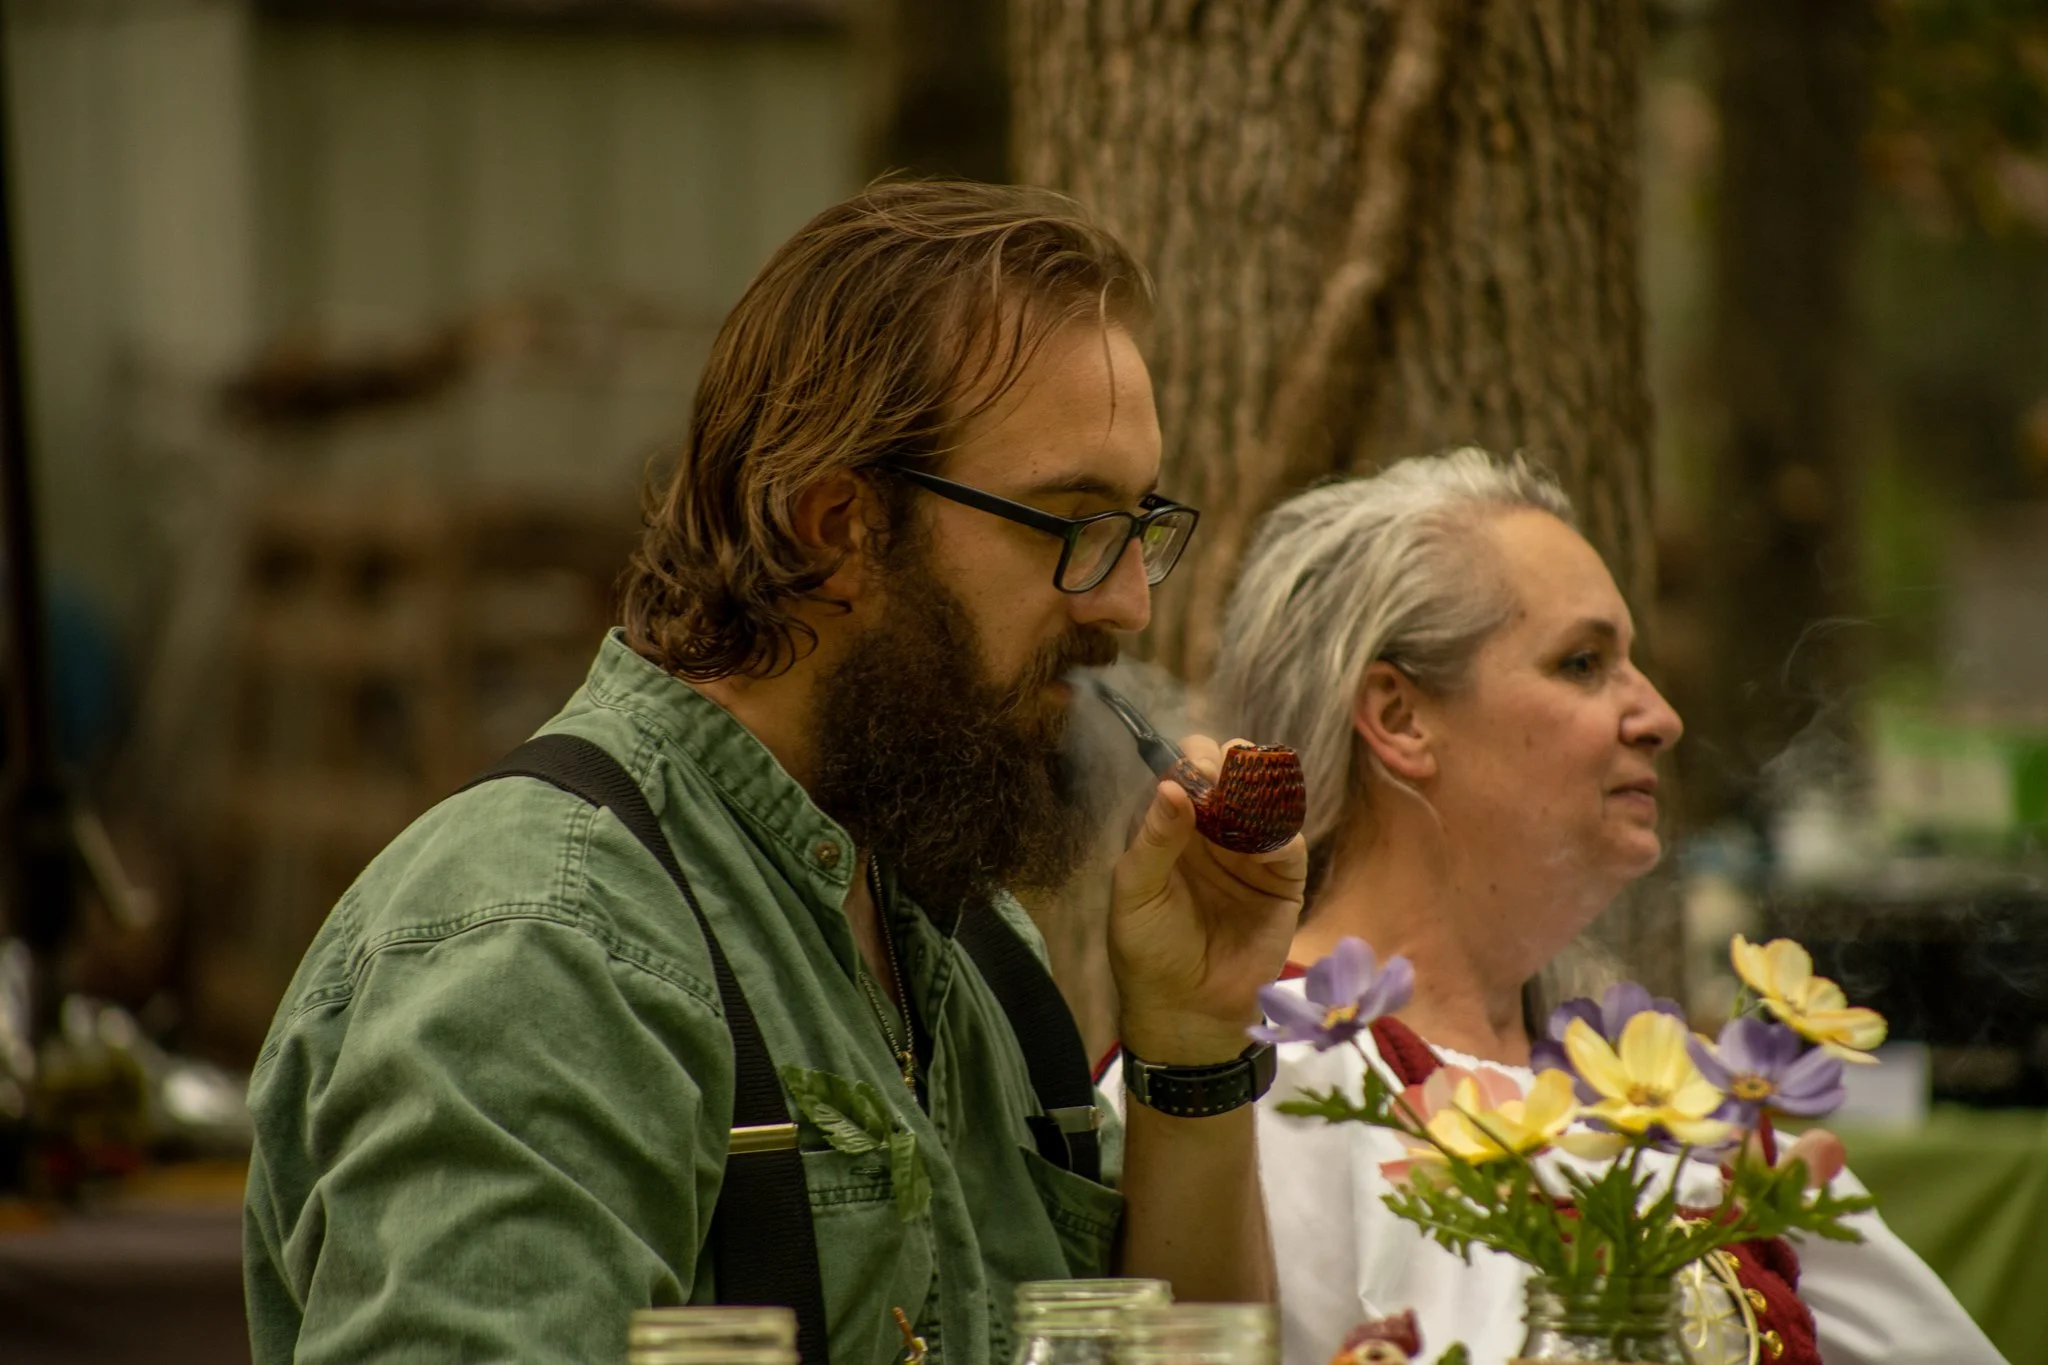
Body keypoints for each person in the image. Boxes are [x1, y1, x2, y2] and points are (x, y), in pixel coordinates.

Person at [243, 181, 1305, 1365]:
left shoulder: (958, 936)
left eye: (1138, 525)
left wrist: (1194, 1042)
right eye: (1067, 523)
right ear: (837, 525)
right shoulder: (540, 947)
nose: (1125, 600)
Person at [1202, 449, 2006, 1365]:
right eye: (1583, 663)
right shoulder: (1260, 1081)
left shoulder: (1658, 1093)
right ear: (1398, 716)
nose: (1659, 715)